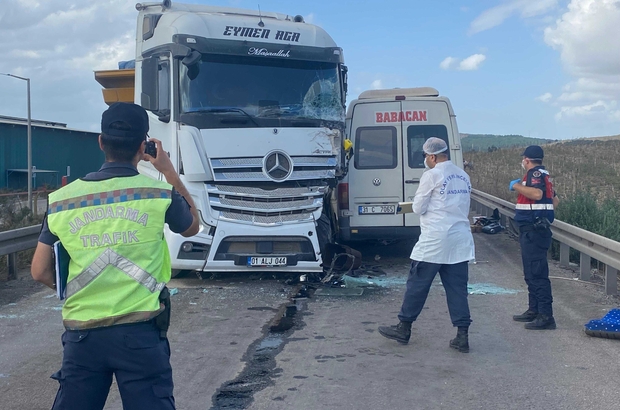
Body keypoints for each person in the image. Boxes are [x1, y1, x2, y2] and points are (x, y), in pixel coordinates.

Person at [31, 102, 200, 409]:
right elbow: (192, 226)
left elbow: (40, 270)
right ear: (143, 146)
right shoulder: (156, 194)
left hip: (83, 337)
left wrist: (80, 290)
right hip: (141, 335)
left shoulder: (61, 201)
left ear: (100, 141)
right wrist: (168, 171)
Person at [378, 137, 475, 353]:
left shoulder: (432, 175)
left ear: (432, 156)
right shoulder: (463, 175)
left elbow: (418, 208)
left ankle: (404, 328)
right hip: (459, 241)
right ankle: (462, 335)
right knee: (458, 290)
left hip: (435, 240)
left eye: (425, 157)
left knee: (417, 285)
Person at [509, 145, 559, 330]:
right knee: (531, 272)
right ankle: (534, 310)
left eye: (524, 159)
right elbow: (554, 200)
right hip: (535, 230)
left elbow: (537, 194)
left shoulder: (535, 175)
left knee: (537, 274)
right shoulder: (545, 176)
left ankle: (546, 316)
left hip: (534, 230)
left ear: (527, 160)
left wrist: (516, 186)